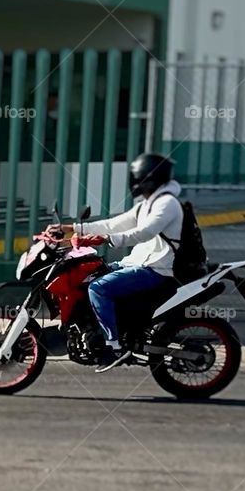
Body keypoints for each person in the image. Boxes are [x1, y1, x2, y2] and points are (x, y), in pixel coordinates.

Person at [57, 153, 183, 372]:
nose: (134, 182)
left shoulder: (167, 203)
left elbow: (144, 232)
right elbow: (113, 224)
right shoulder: (147, 204)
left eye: (137, 177)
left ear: (148, 179)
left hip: (156, 269)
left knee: (99, 288)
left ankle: (114, 346)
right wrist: (73, 228)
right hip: (137, 263)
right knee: (89, 274)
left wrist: (106, 239)